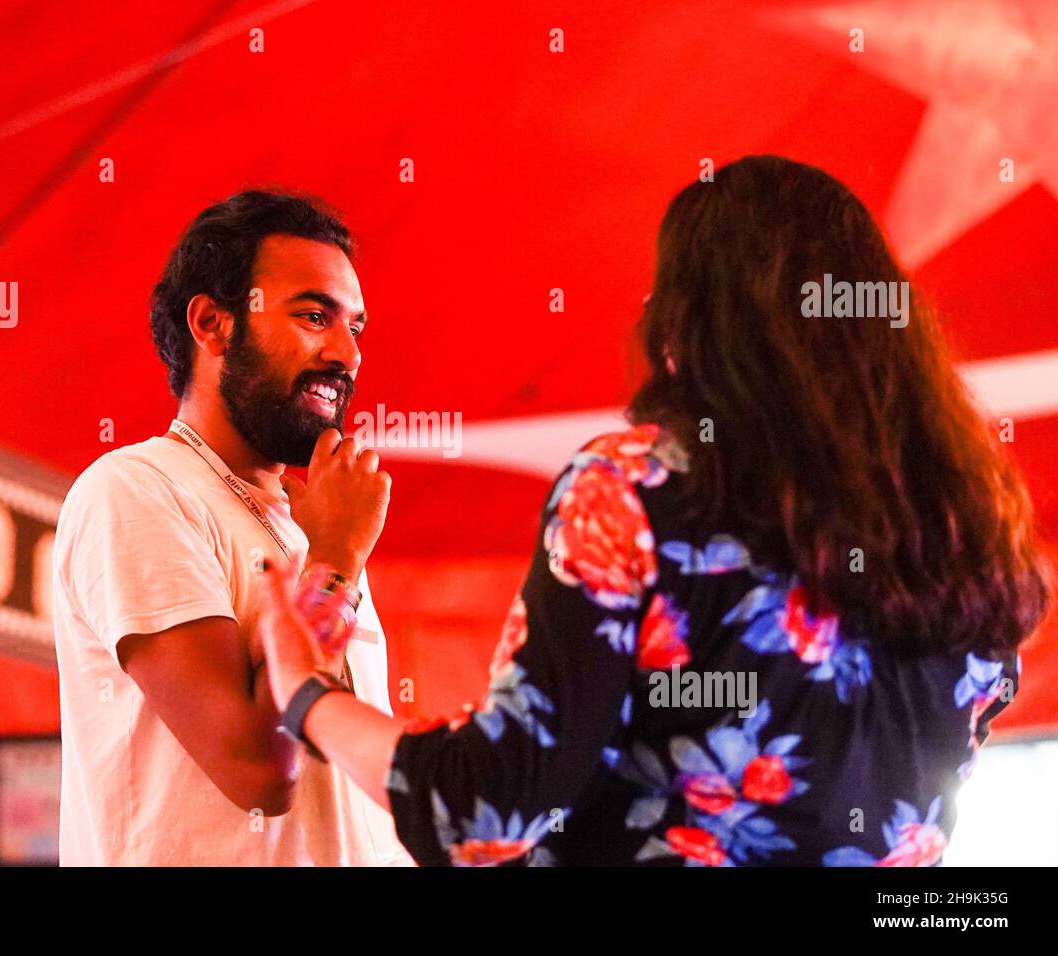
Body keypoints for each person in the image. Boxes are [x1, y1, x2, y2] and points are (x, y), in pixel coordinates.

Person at [255, 156, 1051, 866]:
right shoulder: (971, 535)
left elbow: (485, 808)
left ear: (691, 325)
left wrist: (305, 693)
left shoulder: (635, 489)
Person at [52, 190, 409, 865]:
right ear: (214, 324)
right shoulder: (136, 490)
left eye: (355, 328)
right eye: (313, 316)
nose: (347, 355)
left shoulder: (308, 530)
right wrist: (337, 555)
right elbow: (258, 772)